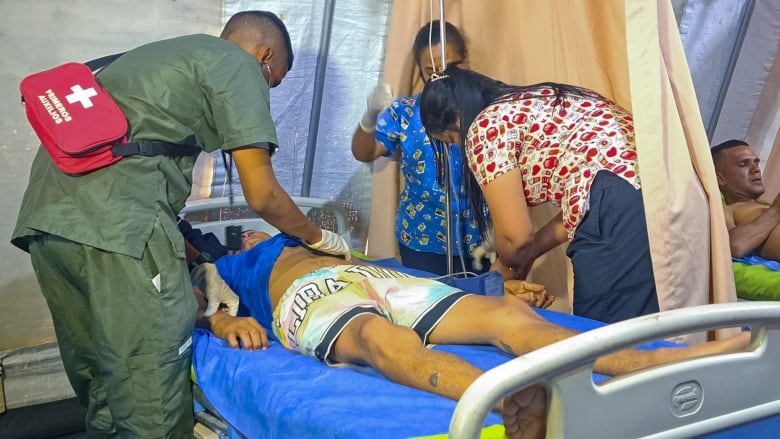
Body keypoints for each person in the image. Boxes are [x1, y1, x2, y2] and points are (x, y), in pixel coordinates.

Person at [10, 11, 350, 437]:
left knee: (103, 380)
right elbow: (263, 195)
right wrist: (318, 236)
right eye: (273, 82)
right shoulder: (238, 64)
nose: (266, 91)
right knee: (152, 394)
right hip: (119, 228)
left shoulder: (158, 59)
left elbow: (136, 166)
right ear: (264, 56)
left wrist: (196, 257)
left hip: (49, 223)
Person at [201, 230, 749, 439]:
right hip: (313, 299)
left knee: (506, 318)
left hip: (378, 275)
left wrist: (496, 285)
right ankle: (510, 401)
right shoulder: (234, 262)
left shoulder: (323, 236)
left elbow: (411, 268)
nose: (258, 228)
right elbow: (197, 303)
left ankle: (662, 361)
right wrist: (223, 320)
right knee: (378, 342)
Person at [418, 66, 659, 324]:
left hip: (616, 211)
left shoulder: (484, 127)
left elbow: (516, 238)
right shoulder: (541, 100)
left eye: (450, 140)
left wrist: (497, 277)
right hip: (655, 194)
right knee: (640, 332)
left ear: (455, 120)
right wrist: (526, 256)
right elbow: (579, 208)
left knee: (604, 340)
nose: (458, 146)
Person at [351, 21, 491, 275]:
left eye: (452, 67)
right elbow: (365, 153)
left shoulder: (489, 106)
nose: (443, 79)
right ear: (421, 71)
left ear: (466, 59)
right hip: (421, 239)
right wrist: (370, 117)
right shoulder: (406, 112)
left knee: (477, 308)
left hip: (481, 241)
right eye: (431, 71)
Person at [712, 139, 780, 261]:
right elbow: (734, 246)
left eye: (756, 163)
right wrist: (776, 211)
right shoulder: (727, 211)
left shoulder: (766, 206)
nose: (756, 169)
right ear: (720, 179)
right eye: (743, 164)